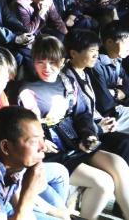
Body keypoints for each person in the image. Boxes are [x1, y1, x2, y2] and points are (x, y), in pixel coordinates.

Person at [18, 35, 129, 219]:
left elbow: (82, 113)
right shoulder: (27, 90)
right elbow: (25, 126)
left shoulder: (67, 82)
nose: (46, 68)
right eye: (41, 62)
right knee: (103, 183)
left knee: (119, 164)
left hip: (76, 142)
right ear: (33, 61)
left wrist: (88, 135)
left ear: (62, 62)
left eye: (52, 62)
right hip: (53, 152)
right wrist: (40, 141)